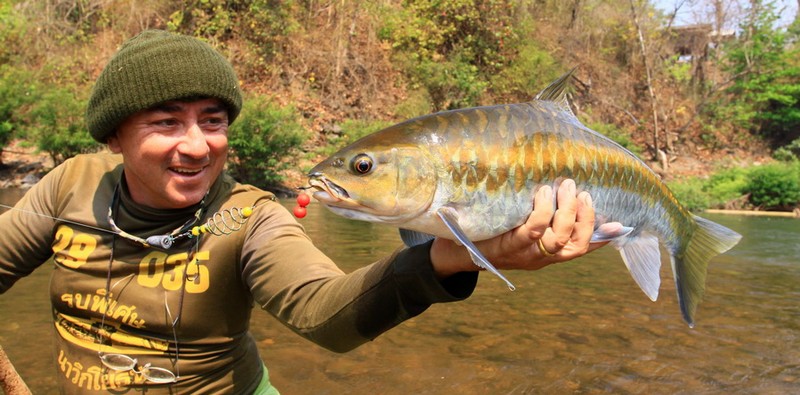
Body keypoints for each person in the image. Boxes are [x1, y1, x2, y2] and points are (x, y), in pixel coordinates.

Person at [0, 30, 612, 394]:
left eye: (213, 121)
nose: (197, 144)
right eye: (166, 122)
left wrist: (447, 259)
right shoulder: (69, 185)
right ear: (115, 136)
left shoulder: (250, 217)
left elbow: (327, 316)